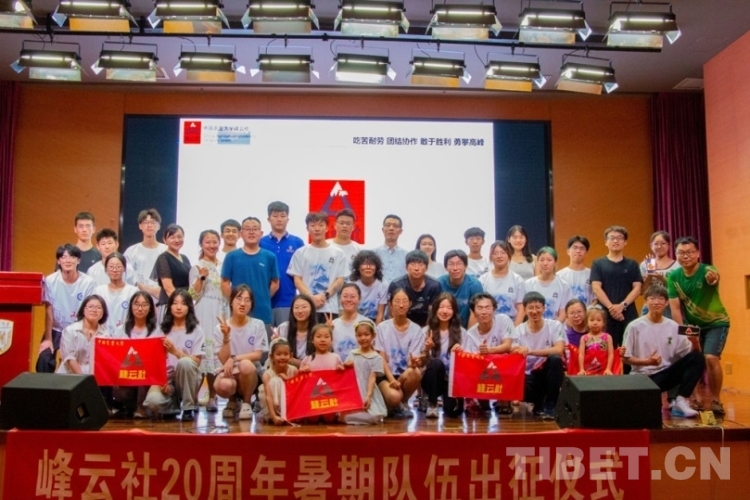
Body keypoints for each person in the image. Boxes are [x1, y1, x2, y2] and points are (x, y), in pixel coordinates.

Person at [667, 236, 730, 416]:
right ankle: (694, 398)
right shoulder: (674, 277)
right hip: (692, 325)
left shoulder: (707, 270)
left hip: (716, 323)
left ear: (698, 253)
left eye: (689, 252)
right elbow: (675, 308)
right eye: (681, 253)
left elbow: (713, 278)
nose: (685, 256)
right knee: (693, 360)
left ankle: (716, 400)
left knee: (710, 358)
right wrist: (684, 331)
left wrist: (713, 278)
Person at [624, 285, 706, 419]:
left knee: (697, 357)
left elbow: (688, 355)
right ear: (645, 302)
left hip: (665, 375)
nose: (656, 302)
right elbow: (625, 358)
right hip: (642, 377)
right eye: (652, 298)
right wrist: (647, 362)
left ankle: (680, 400)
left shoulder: (673, 326)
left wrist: (695, 342)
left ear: (667, 303)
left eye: (661, 299)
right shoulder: (634, 326)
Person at [143, 290, 205, 422]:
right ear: (169, 306)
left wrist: (175, 352)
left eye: (183, 304)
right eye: (175, 303)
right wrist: (161, 380)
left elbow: (197, 361)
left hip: (187, 377)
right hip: (166, 377)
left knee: (185, 362)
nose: (178, 307)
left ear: (189, 307)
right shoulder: (161, 330)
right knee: (153, 401)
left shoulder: (196, 330)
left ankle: (188, 407)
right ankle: (173, 405)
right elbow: (154, 360)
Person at [38, 244, 97, 373]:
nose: (68, 260)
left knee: (78, 360)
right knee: (44, 359)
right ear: (59, 261)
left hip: (78, 329)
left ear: (78, 260)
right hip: (56, 329)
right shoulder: (50, 280)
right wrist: (48, 339)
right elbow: (48, 310)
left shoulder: (88, 282)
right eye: (64, 257)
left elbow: (88, 310)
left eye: (72, 257)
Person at [214, 285, 269, 421]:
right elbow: (224, 360)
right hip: (230, 371)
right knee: (223, 385)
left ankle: (246, 402)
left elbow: (257, 355)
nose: (243, 303)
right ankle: (232, 401)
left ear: (251, 305)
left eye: (247, 300)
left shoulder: (258, 325)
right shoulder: (220, 327)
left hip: (251, 372)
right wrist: (226, 337)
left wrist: (234, 358)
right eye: (239, 299)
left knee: (245, 364)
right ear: (231, 301)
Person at [511, 291, 565, 420]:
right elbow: (512, 350)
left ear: (544, 308)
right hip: (529, 376)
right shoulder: (518, 330)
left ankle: (551, 405)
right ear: (524, 310)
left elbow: (559, 349)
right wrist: (518, 350)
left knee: (555, 359)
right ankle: (539, 403)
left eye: (538, 307)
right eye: (531, 308)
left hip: (547, 374)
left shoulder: (555, 325)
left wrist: (530, 351)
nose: (534, 311)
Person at [189, 229, 227, 413]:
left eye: (214, 242)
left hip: (222, 310)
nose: (212, 245)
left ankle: (213, 397)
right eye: (208, 242)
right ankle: (193, 398)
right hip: (204, 311)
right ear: (201, 244)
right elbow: (192, 294)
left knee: (216, 354)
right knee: (203, 354)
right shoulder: (197, 267)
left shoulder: (223, 265)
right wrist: (201, 277)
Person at [288, 212, 347, 323]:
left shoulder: (338, 253)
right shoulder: (300, 253)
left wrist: (325, 295)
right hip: (306, 308)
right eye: (313, 225)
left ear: (327, 228)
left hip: (329, 308)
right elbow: (297, 280)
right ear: (307, 228)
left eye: (321, 225)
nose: (317, 229)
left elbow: (340, 280)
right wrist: (310, 298)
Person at [463, 292, 515, 416]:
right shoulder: (470, 334)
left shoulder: (503, 320)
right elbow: (472, 360)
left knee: (512, 355)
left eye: (487, 308)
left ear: (494, 309)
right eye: (480, 308)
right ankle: (481, 399)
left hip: (502, 365)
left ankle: (504, 400)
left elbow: (507, 346)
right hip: (482, 369)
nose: (484, 312)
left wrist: (489, 351)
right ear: (474, 312)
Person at [222, 216, 280, 328]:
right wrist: (236, 300)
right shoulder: (231, 256)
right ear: (241, 233)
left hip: (263, 313)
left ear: (261, 233)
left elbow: (275, 283)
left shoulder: (270, 257)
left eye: (255, 229)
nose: (251, 232)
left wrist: (263, 296)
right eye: (247, 229)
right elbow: (224, 283)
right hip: (238, 315)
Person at [590, 225, 643, 349]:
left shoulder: (632, 264)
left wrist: (622, 306)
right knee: (606, 351)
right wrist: (611, 308)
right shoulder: (598, 263)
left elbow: (637, 288)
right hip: (604, 314)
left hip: (628, 313)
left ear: (625, 242)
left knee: (629, 350)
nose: (615, 241)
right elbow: (596, 288)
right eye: (612, 238)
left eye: (619, 238)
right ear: (606, 242)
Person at [375, 288, 425, 417]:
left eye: (404, 301)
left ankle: (402, 403)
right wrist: (392, 380)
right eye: (397, 301)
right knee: (393, 397)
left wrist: (414, 363)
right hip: (386, 376)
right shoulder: (381, 328)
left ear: (410, 304)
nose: (401, 305)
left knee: (415, 372)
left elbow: (411, 361)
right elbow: (381, 359)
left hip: (404, 375)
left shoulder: (416, 330)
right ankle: (395, 403)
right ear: (390, 304)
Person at [113, 292, 161, 419]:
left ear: (150, 308)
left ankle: (142, 407)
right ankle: (130, 406)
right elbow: (114, 354)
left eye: (144, 305)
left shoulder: (158, 330)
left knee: (144, 371)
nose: (140, 308)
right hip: (126, 373)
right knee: (120, 391)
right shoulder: (121, 329)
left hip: (148, 375)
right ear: (131, 307)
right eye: (136, 304)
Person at [420, 293, 466, 418]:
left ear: (454, 311)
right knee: (436, 363)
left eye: (449, 308)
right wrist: (426, 350)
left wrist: (460, 354)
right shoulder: (425, 331)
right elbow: (419, 363)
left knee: (454, 412)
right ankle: (432, 403)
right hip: (431, 380)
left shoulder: (462, 332)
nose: (445, 311)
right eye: (441, 307)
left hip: (452, 380)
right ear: (435, 309)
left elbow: (468, 362)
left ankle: (448, 402)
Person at [259, 201, 305, 326]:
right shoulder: (261, 242)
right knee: (264, 337)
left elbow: (303, 273)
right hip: (265, 301)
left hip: (289, 301)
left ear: (287, 219)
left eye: (282, 216)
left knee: (286, 337)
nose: (279, 219)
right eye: (275, 216)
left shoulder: (297, 242)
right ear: (269, 219)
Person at [342, 320, 388, 425]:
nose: (363, 338)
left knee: (372, 414)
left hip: (367, 389)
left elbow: (372, 378)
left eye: (366, 335)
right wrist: (345, 366)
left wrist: (368, 396)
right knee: (344, 415)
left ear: (373, 336)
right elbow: (346, 372)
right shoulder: (352, 353)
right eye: (359, 335)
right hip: (354, 390)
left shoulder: (376, 357)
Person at [56, 294, 109, 375]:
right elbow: (69, 358)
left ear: (103, 313)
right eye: (90, 307)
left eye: (99, 308)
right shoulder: (70, 330)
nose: (94, 310)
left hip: (93, 377)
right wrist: (83, 378)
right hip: (69, 375)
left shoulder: (106, 335)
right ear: (83, 310)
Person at [387, 250, 442, 327]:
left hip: (426, 325)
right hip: (401, 324)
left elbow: (433, 314)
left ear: (426, 268)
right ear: (406, 267)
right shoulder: (396, 284)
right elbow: (392, 313)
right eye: (412, 264)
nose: (416, 268)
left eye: (420, 264)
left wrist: (426, 330)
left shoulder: (434, 285)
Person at [123, 208, 167, 300]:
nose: (149, 225)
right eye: (145, 222)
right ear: (140, 226)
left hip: (161, 298)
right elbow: (126, 276)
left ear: (158, 226)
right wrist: (145, 289)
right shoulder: (131, 251)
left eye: (153, 222)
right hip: (137, 298)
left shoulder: (166, 250)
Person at [479, 241, 526, 326]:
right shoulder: (483, 280)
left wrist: (514, 330)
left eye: (503, 253)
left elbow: (521, 309)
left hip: (511, 325)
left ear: (509, 255)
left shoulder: (517, 280)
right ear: (491, 257)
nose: (499, 256)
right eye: (495, 253)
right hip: (488, 326)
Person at [93, 252, 138, 336]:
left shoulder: (133, 291)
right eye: (111, 267)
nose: (114, 270)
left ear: (124, 269)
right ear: (106, 269)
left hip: (126, 336)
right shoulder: (99, 291)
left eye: (118, 267)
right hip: (104, 336)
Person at [524, 247, 572, 322]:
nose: (545, 263)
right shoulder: (528, 284)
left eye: (549, 260)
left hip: (556, 326)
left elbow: (563, 313)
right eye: (542, 260)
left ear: (555, 262)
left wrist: (553, 327)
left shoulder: (564, 285)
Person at [438, 250, 483, 328]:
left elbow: (475, 313)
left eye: (459, 264)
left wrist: (468, 334)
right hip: (444, 327)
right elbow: (434, 310)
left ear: (465, 266)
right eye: (451, 264)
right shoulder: (439, 283)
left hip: (467, 327)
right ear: (445, 267)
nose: (455, 268)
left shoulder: (474, 285)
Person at [640, 231, 680, 317]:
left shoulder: (677, 265)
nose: (659, 246)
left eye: (663, 243)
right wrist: (650, 275)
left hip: (670, 306)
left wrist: (662, 278)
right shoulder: (644, 265)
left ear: (669, 245)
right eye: (656, 244)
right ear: (651, 246)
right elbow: (642, 291)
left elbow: (679, 290)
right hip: (649, 306)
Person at [152, 224, 191, 310]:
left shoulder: (185, 258)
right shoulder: (163, 258)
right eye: (172, 237)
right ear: (165, 240)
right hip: (171, 303)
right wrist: (179, 304)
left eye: (179, 237)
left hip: (185, 303)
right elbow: (168, 287)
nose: (176, 240)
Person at [258, 338, 298, 425]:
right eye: (278, 354)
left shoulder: (294, 370)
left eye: (286, 354)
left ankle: (289, 414)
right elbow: (268, 397)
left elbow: (297, 392)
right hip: (272, 406)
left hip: (288, 404)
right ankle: (275, 414)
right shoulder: (267, 375)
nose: (282, 357)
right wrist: (273, 416)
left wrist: (288, 380)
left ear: (291, 356)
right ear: (271, 357)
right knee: (275, 382)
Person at [275, 295, 317, 367]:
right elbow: (277, 358)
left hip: (311, 370)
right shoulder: (283, 328)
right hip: (287, 368)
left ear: (311, 309)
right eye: (296, 307)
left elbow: (320, 360)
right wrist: (275, 344)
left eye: (304, 307)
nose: (300, 311)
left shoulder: (317, 330)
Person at [332, 283, 369, 361]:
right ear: (340, 298)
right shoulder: (333, 325)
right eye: (345, 296)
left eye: (352, 297)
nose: (348, 300)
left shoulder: (367, 323)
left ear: (359, 299)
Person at [351, 250, 387, 323]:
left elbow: (380, 315)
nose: (368, 267)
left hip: (375, 322)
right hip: (355, 322)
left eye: (372, 264)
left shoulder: (383, 285)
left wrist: (376, 329)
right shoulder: (352, 284)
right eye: (364, 264)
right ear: (358, 267)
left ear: (377, 267)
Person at [557, 235, 594, 306]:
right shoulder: (559, 275)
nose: (578, 251)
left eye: (582, 248)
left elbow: (595, 298)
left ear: (586, 253)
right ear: (568, 251)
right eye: (575, 248)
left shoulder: (593, 274)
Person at [577, 307, 615, 376]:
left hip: (604, 371)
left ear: (603, 323)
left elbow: (611, 354)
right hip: (588, 371)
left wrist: (608, 369)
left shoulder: (608, 337)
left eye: (598, 320)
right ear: (587, 322)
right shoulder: (584, 338)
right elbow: (581, 354)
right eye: (592, 320)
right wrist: (581, 369)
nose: (595, 323)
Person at [375, 214, 407, 282]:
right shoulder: (374, 254)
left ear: (400, 231)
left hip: (400, 289)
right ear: (383, 230)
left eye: (395, 226)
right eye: (388, 225)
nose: (391, 228)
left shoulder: (406, 256)